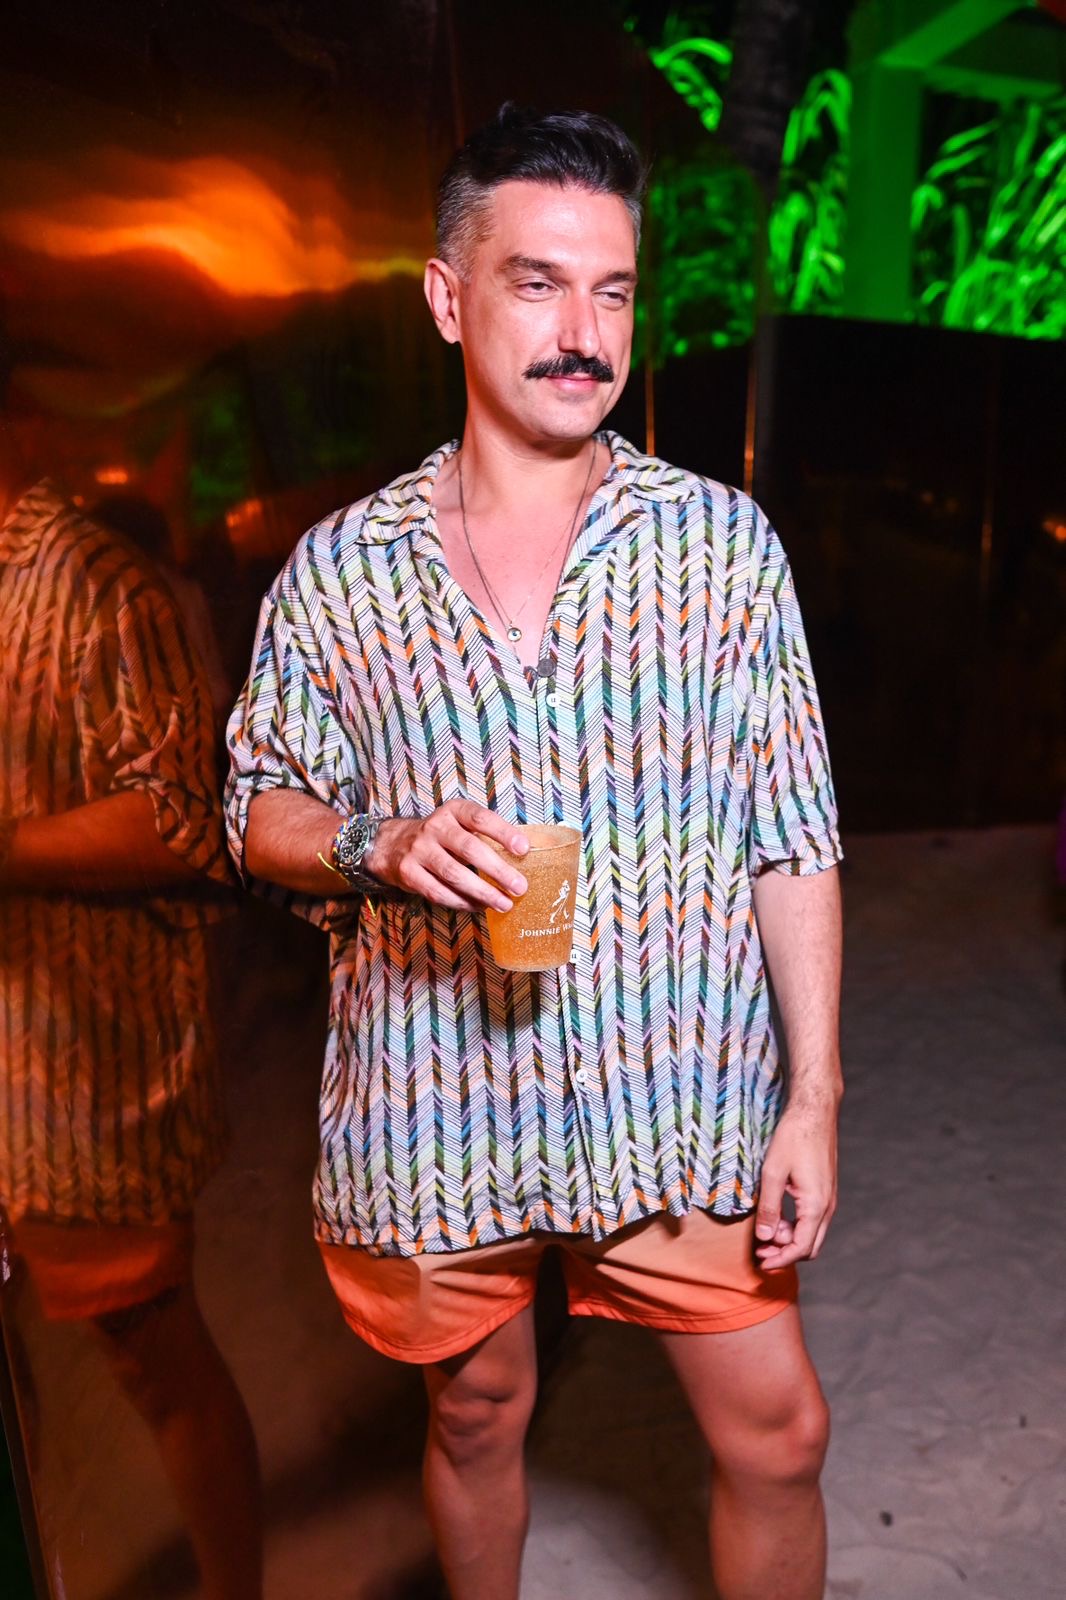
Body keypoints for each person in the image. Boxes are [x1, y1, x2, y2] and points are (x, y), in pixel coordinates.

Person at [226, 104, 843, 1600]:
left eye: (612, 290)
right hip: (438, 1101)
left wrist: (814, 1095)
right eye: (537, 283)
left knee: (779, 1434)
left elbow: (793, 835)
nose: (584, 334)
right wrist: (380, 841)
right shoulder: (341, 572)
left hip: (674, 1098)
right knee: (478, 1409)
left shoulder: (720, 548)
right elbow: (255, 810)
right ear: (448, 299)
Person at [0, 425, 263, 1600]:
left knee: (152, 1360)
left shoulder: (102, 588)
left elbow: (189, 818)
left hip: (80, 1071)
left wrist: (6, 849)